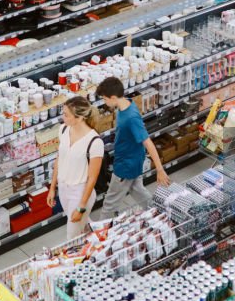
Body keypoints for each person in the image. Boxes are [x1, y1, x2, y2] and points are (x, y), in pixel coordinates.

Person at [95, 76, 170, 218]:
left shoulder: (131, 118)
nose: (104, 102)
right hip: (132, 160)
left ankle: (100, 233)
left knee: (109, 204)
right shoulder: (126, 105)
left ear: (113, 97)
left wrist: (160, 170)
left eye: (105, 99)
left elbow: (148, 142)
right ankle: (161, 213)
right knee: (138, 191)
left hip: (125, 165)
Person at [46, 96, 104, 240]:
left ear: (79, 118)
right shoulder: (64, 129)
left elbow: (92, 178)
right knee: (81, 227)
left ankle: (76, 260)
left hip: (80, 192)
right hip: (64, 189)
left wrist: (81, 207)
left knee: (72, 236)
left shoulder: (94, 142)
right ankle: (99, 242)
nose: (62, 117)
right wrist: (52, 187)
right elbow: (60, 158)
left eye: (66, 115)